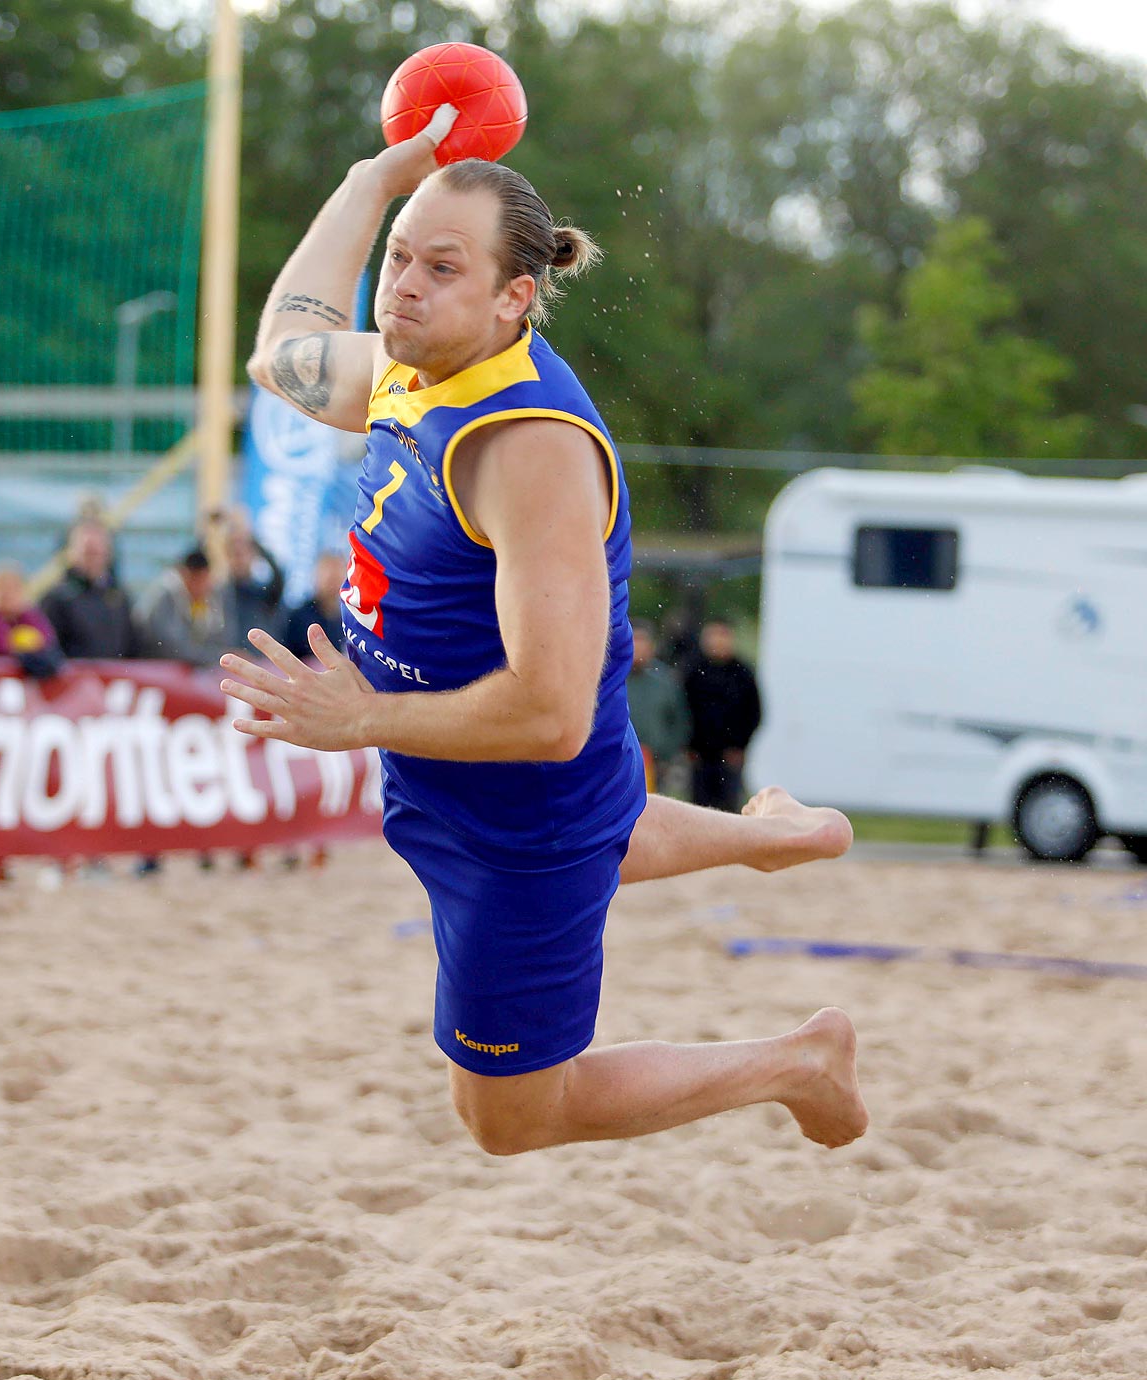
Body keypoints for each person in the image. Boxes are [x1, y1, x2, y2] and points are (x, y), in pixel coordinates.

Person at [220, 113, 866, 1157]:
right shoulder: (408, 362)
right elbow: (280, 352)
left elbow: (551, 715)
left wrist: (356, 718)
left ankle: (797, 1061)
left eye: (443, 267)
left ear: (513, 297)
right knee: (605, 823)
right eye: (399, 260)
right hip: (468, 776)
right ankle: (774, 835)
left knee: (511, 1119)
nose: (405, 288)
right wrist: (370, 180)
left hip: (519, 824)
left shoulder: (525, 448)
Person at [684, 619, 763, 812]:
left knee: (729, 807)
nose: (717, 642)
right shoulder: (693, 672)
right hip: (699, 755)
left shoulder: (742, 674)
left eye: (722, 636)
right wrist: (689, 745)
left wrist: (740, 746)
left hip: (730, 755)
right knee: (698, 808)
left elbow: (754, 713)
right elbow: (681, 712)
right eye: (713, 636)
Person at [41, 520, 144, 660]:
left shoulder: (121, 599)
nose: (93, 558)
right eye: (87, 552)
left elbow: (133, 648)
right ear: (71, 553)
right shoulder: (55, 599)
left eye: (97, 552)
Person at [627, 617, 692, 797]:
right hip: (618, 763)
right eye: (634, 640)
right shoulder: (610, 680)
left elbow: (679, 721)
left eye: (643, 641)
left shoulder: (666, 681)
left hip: (657, 764)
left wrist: (667, 753)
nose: (638, 647)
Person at [134, 546, 228, 666]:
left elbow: (217, 635)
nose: (204, 587)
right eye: (199, 580)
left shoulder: (205, 598)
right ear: (186, 575)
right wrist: (216, 656)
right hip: (153, 668)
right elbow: (172, 648)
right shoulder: (163, 597)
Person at [0, 562, 62, 680]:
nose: (8, 594)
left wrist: (26, 612)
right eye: (1, 588)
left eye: (14, 588)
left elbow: (47, 642)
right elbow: (2, 646)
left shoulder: (30, 616)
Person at [216, 507, 287, 649]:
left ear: (253, 555)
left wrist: (249, 535)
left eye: (243, 553)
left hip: (261, 664)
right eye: (234, 553)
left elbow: (279, 574)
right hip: (227, 665)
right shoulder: (219, 594)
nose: (239, 559)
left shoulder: (264, 594)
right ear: (226, 556)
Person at [281, 551, 348, 653]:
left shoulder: (349, 619)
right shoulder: (299, 618)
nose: (333, 583)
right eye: (329, 578)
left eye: (337, 576)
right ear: (315, 577)